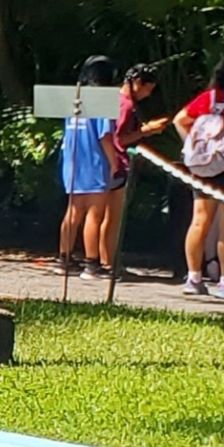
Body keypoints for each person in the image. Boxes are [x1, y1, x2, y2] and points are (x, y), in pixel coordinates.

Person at [172, 52, 224, 300]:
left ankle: (193, 278)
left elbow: (180, 120)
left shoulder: (210, 97)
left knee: (199, 221)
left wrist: (195, 149)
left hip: (204, 168)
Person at [96, 64, 172, 275]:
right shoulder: (126, 105)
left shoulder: (113, 100)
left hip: (104, 163)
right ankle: (109, 262)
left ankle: (105, 260)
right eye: (148, 88)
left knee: (106, 216)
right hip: (117, 162)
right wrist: (147, 130)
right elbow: (119, 138)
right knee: (113, 216)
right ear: (138, 83)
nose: (148, 94)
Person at [57, 56, 125, 281]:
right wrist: (114, 162)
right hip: (94, 162)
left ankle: (64, 259)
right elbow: (105, 136)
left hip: (73, 162)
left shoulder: (74, 99)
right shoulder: (101, 101)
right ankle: (92, 264)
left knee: (73, 211)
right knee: (94, 214)